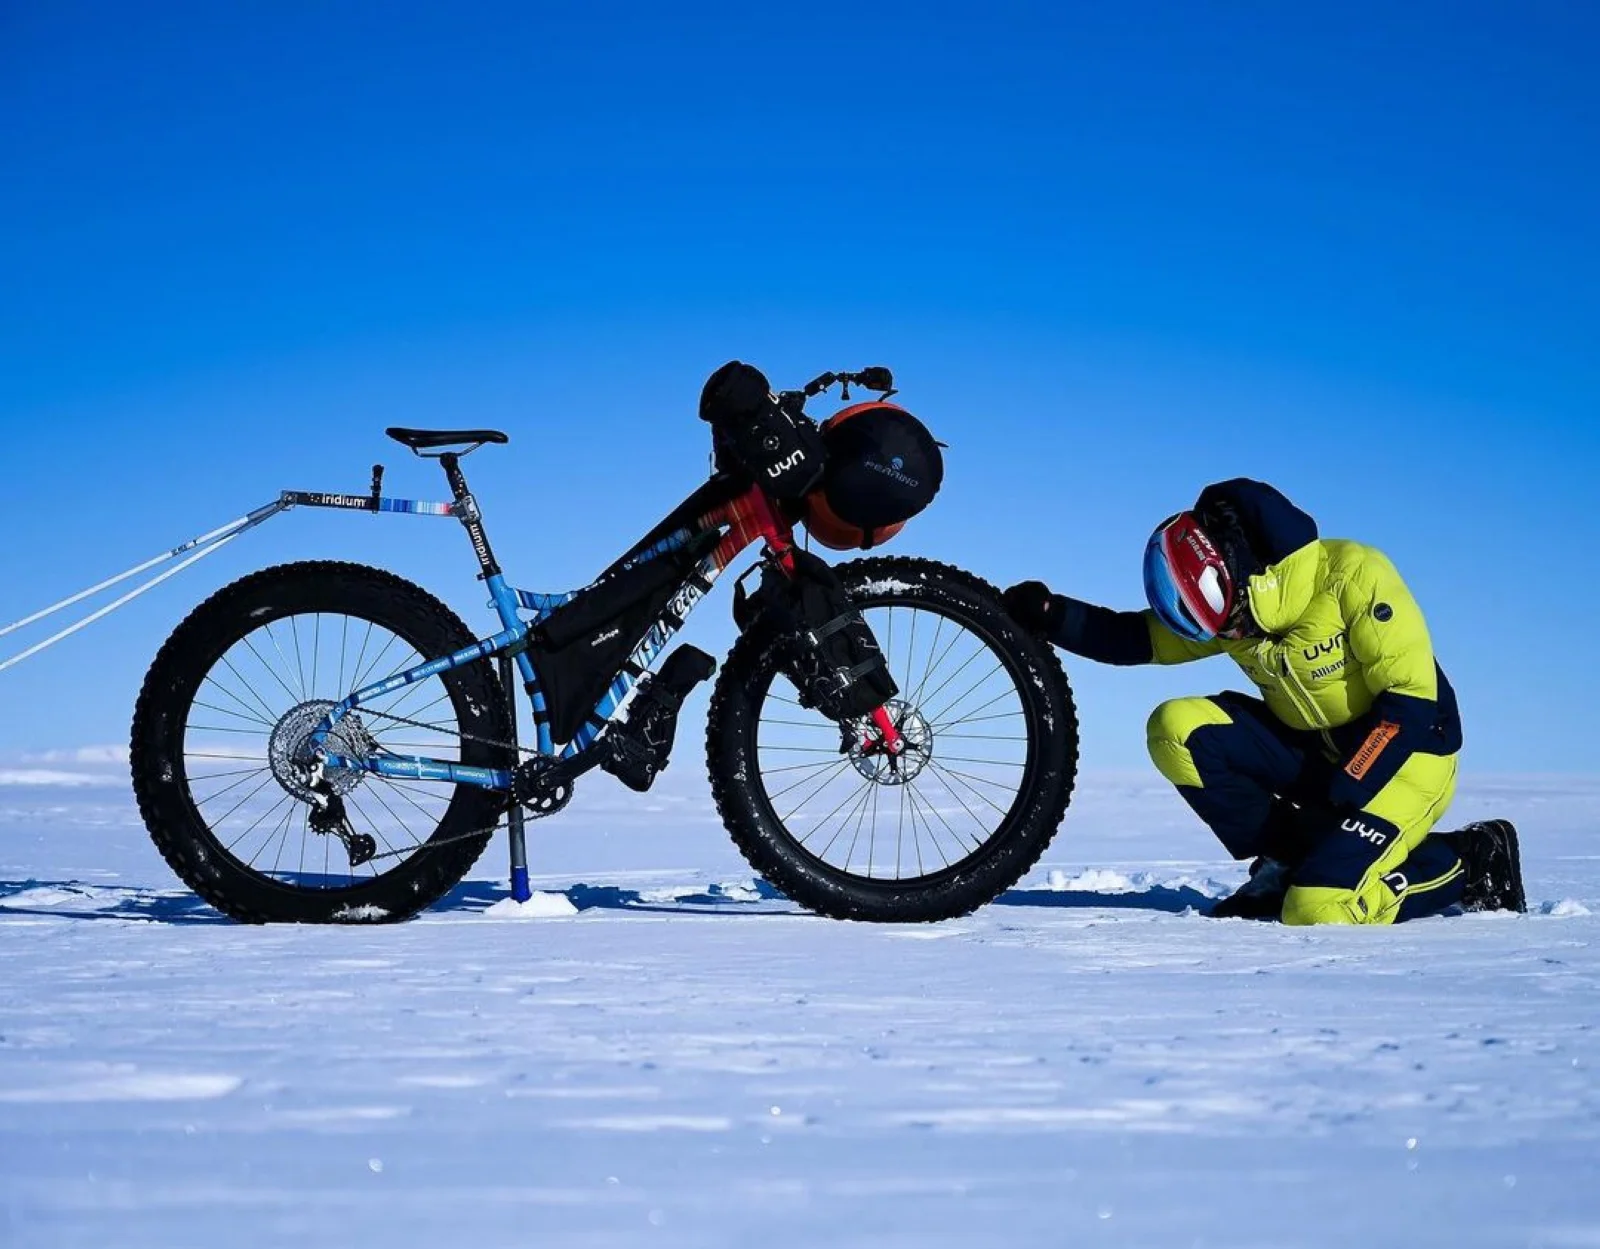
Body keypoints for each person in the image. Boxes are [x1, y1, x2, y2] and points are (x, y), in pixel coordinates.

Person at [1003, 478, 1525, 924]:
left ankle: (1469, 861)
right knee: (1176, 728)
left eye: (1207, 610)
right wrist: (1051, 614)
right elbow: (1134, 638)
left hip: (1407, 761)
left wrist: (1344, 796)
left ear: (1251, 574)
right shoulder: (1234, 614)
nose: (1215, 631)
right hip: (1315, 756)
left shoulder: (1353, 576)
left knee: (1318, 907)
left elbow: (1411, 704)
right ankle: (1290, 858)